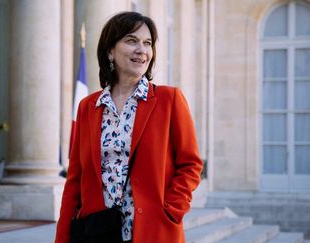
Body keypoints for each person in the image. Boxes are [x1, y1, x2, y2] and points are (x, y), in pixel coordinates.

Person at [55, 11, 203, 243]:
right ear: (110, 51)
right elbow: (75, 180)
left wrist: (172, 210)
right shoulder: (88, 107)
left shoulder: (169, 99)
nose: (141, 50)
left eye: (147, 43)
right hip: (97, 231)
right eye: (131, 41)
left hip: (153, 230)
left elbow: (191, 164)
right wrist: (62, 237)